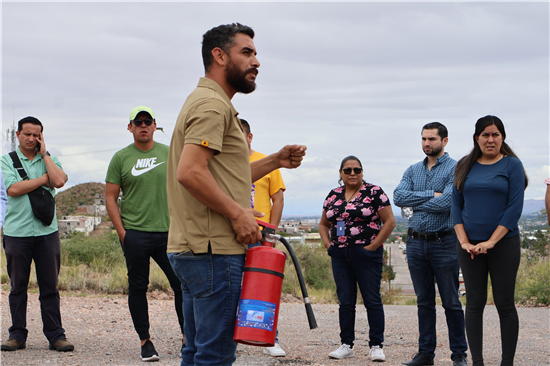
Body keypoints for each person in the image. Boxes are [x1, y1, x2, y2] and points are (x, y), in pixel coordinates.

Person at [166, 23, 306, 366]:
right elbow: (190, 172)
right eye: (246, 52)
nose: (255, 61)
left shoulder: (205, 102)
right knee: (214, 355)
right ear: (219, 55)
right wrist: (237, 213)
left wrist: (274, 160)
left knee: (196, 350)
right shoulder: (212, 106)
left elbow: (222, 175)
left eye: (255, 53)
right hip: (214, 251)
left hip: (193, 248)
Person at [105, 106, 184, 362]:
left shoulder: (169, 153)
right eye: (137, 122)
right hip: (135, 234)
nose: (142, 125)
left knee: (183, 285)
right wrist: (122, 233)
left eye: (147, 121)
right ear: (130, 127)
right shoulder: (120, 158)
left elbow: (186, 185)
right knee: (138, 287)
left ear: (154, 125)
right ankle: (145, 341)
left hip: (169, 233)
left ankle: (188, 338)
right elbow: (110, 197)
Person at [452, 115, 527, 366]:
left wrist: (492, 241)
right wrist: (464, 243)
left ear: (502, 137)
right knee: (474, 303)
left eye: (495, 134)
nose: (490, 139)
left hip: (504, 244)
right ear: (477, 138)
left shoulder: (512, 165)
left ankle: (507, 363)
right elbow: (456, 208)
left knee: (505, 303)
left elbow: (514, 208)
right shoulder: (464, 165)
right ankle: (478, 362)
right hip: (469, 246)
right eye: (485, 134)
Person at [393, 122, 468, 366]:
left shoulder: (456, 167)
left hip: (444, 242)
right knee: (424, 302)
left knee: (451, 302)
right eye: (424, 139)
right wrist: (429, 195)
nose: (427, 143)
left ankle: (459, 355)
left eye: (432, 139)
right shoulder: (413, 170)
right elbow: (398, 197)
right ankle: (426, 354)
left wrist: (414, 203)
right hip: (415, 242)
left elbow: (446, 202)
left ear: (444, 141)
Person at [0, 116, 73, 352]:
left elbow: (60, 180)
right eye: (27, 134)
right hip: (17, 233)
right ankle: (17, 336)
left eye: (36, 135)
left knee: (49, 287)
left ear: (41, 136)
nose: (32, 138)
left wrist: (45, 155)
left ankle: (56, 336)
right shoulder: (6, 160)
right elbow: (13, 189)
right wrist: (44, 179)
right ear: (18, 135)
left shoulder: (49, 159)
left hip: (46, 233)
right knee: (17, 287)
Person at [319, 155, 395, 362]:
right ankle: (346, 344)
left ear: (362, 172)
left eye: (357, 170)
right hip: (340, 255)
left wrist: (372, 247)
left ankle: (376, 345)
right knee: (346, 301)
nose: (353, 173)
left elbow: (389, 222)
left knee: (372, 300)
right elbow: (324, 224)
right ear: (340, 173)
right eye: (348, 170)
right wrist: (329, 245)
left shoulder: (374, 192)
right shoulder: (333, 195)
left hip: (366, 254)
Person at [240, 118, 286, 357]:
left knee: (265, 287)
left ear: (250, 137)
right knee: (232, 289)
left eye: (241, 135)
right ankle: (232, 339)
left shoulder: (266, 162)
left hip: (260, 235)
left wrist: (273, 230)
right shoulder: (224, 163)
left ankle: (271, 338)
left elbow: (277, 199)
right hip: (232, 235)